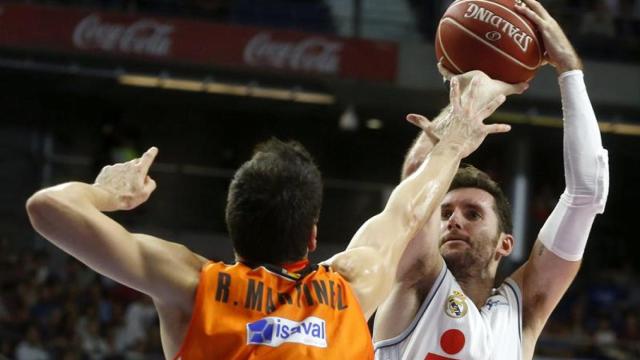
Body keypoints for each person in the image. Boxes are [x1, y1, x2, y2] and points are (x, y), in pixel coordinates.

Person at [26, 72, 514, 359]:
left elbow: (47, 208)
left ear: (233, 223)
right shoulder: (353, 285)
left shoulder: (193, 284)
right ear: (313, 233)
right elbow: (409, 206)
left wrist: (108, 193)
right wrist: (454, 138)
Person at [372, 0, 610, 359]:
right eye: (446, 211)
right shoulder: (416, 281)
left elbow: (587, 193)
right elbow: (417, 178)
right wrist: (468, 101)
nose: (453, 219)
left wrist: (569, 70)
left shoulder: (521, 312)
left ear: (505, 244)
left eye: (473, 213)